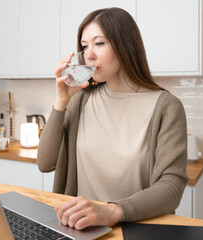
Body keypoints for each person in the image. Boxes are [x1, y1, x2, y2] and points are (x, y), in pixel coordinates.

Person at [37, 7, 188, 230]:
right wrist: (61, 102)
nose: (89, 54)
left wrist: (112, 210)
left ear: (125, 46)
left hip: (133, 229)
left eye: (99, 43)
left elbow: (172, 186)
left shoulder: (166, 106)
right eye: (84, 46)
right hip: (79, 228)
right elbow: (45, 163)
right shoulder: (80, 101)